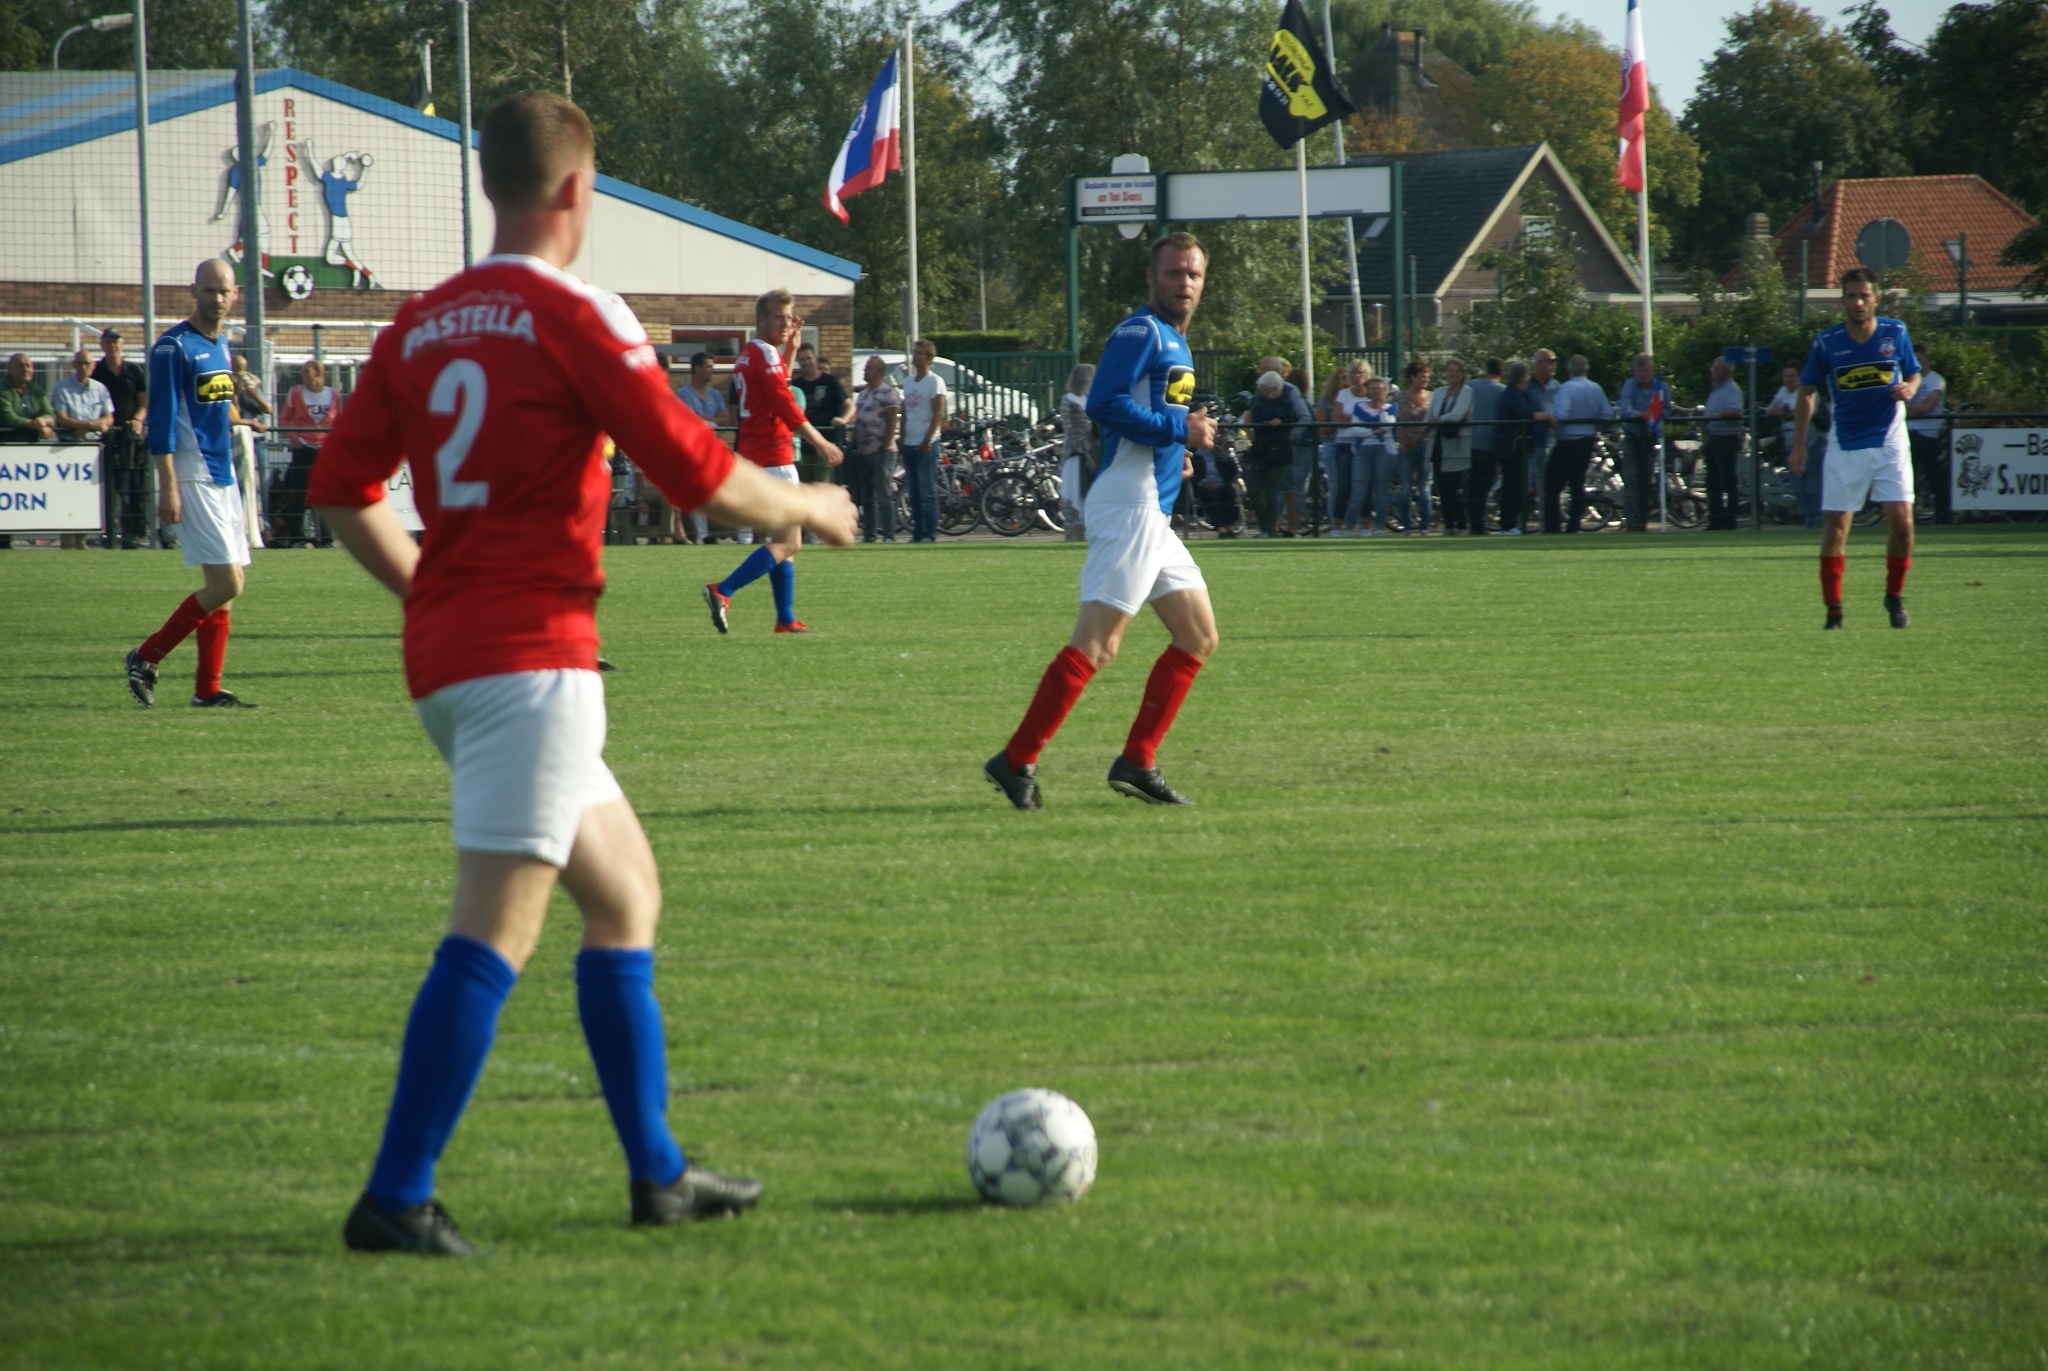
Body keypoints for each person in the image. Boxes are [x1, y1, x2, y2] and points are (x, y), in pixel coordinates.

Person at [306, 92, 858, 1257]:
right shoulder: (575, 316)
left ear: (492, 185)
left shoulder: (422, 323)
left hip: (457, 661)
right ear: (575, 190)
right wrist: (809, 503)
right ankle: (394, 1197)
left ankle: (658, 1176)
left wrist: (429, 592)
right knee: (493, 931)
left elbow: (340, 490)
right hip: (530, 663)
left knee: (623, 896)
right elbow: (697, 474)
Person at [983, 231, 1220, 810]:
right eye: (1173, 272)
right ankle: (1016, 760)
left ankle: (1137, 762)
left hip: (1151, 509)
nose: (1184, 282)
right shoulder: (1141, 331)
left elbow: (1144, 420)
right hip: (1131, 505)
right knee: (1098, 644)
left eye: (1192, 274)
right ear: (1151, 277)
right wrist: (1179, 430)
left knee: (1197, 637)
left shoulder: (1176, 341)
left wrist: (1176, 452)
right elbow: (1105, 404)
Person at [123, 259, 257, 709]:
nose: (216, 299)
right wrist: (168, 485)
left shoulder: (221, 345)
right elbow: (161, 421)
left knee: (226, 587)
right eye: (208, 290)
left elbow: (213, 408)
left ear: (235, 294)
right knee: (227, 583)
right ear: (193, 291)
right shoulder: (172, 347)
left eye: (224, 291)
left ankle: (208, 691)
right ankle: (146, 656)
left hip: (223, 474)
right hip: (192, 472)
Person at [700, 288, 844, 634]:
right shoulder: (765, 353)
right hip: (774, 455)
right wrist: (821, 442)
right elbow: (784, 402)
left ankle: (785, 618)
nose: (785, 323)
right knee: (790, 541)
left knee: (784, 543)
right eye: (778, 317)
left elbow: (777, 387)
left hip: (757, 455)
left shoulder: (750, 354)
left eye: (789, 317)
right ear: (760, 319)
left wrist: (790, 351)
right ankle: (723, 590)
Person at [1792, 266, 1921, 629]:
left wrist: (1910, 387)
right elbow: (1806, 392)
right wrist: (1799, 444)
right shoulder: (1827, 342)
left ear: (1876, 298)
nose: (1858, 303)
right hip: (1846, 443)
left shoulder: (1895, 333)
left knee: (1903, 525)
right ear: (1843, 301)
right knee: (1836, 527)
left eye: (1864, 296)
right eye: (1851, 296)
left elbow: (1913, 373)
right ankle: (1834, 613)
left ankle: (1894, 596)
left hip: (1889, 441)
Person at [276, 359, 343, 546]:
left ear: (318, 374)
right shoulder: (296, 393)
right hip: (303, 448)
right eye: (303, 371)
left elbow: (339, 421)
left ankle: (326, 539)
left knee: (325, 494)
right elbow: (285, 418)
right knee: (298, 494)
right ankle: (296, 538)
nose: (303, 375)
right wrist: (294, 438)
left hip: (325, 450)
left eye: (307, 371)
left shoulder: (333, 395)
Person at [93, 329, 150, 547]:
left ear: (122, 345)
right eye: (108, 342)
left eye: (116, 342)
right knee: (107, 485)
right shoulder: (96, 371)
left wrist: (137, 419)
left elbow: (143, 403)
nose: (113, 346)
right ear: (102, 346)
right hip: (105, 436)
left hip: (130, 437)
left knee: (134, 485)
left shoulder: (134, 370)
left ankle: (132, 533)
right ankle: (106, 532)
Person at [1545, 355, 1613, 534]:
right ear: (1586, 370)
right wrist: (1592, 424)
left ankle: (1553, 525)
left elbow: (1561, 414)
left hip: (1567, 441)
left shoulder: (1566, 388)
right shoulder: (1595, 388)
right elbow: (1607, 414)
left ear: (1569, 370)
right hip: (1586, 440)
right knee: (1577, 484)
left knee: (1552, 485)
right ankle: (1573, 524)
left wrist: (1551, 420)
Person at [1484, 361, 1545, 536]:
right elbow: (1523, 414)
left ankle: (1509, 524)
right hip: (1512, 448)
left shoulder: (1510, 393)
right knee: (1514, 486)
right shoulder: (1514, 394)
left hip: (1508, 447)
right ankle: (1509, 524)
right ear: (1524, 377)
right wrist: (1543, 416)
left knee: (1512, 485)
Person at [672, 351, 727, 543]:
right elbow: (685, 420)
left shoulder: (715, 395)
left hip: (714, 451)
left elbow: (726, 418)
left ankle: (727, 533)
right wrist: (710, 423)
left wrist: (704, 421)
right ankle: (703, 535)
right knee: (697, 488)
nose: (713, 371)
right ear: (697, 369)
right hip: (693, 451)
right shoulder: (683, 395)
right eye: (709, 367)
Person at [898, 339, 948, 542]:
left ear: (928, 358)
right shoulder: (909, 382)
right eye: (914, 352)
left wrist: (927, 439)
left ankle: (929, 533)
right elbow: (905, 411)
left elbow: (938, 413)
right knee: (914, 493)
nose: (915, 356)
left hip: (926, 443)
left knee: (927, 492)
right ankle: (917, 532)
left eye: (919, 353)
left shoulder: (934, 381)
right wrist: (901, 437)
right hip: (909, 442)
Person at [850, 353, 902, 542]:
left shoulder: (888, 393)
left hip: (882, 451)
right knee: (867, 496)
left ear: (879, 372)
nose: (865, 371)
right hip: (863, 451)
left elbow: (892, 421)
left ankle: (889, 534)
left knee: (883, 494)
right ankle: (870, 534)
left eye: (869, 368)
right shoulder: (863, 394)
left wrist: (886, 445)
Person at [1239, 370, 1297, 538]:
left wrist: (1279, 421)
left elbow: (1291, 418)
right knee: (1253, 491)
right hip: (1259, 450)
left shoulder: (1287, 400)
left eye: (1264, 389)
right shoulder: (1258, 401)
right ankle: (1265, 525)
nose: (1262, 392)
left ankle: (1269, 529)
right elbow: (1255, 419)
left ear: (1273, 388)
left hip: (1279, 452)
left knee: (1271, 491)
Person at [1618, 354, 1671, 532]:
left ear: (1651, 370)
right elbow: (1625, 410)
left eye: (1646, 370)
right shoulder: (1629, 385)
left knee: (1646, 480)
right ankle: (1632, 522)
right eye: (1640, 370)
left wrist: (1655, 414)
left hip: (1650, 438)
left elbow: (1667, 411)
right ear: (1634, 371)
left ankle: (1643, 520)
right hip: (1632, 438)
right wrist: (1642, 414)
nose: (1643, 374)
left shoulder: (1661, 387)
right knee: (1631, 480)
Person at [791, 342, 851, 488]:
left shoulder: (829, 381)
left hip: (825, 443)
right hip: (804, 445)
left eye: (808, 358)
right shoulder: (796, 385)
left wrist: (843, 420)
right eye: (802, 360)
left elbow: (850, 405)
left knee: (821, 487)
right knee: (803, 489)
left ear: (815, 358)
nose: (806, 362)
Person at [1425, 358, 1473, 532]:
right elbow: (1430, 413)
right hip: (1437, 443)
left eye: (1457, 371)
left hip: (1456, 443)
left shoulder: (1466, 391)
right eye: (1450, 370)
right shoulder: (1439, 392)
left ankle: (1461, 521)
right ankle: (1448, 524)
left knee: (1451, 486)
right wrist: (1425, 426)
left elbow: (1458, 414)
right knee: (1442, 486)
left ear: (1462, 374)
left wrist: (1438, 420)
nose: (1453, 374)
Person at [1327, 360, 1375, 536]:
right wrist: (1353, 421)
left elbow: (1376, 419)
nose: (1357, 376)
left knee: (1365, 486)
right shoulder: (1343, 394)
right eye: (1354, 372)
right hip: (1344, 443)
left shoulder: (1371, 395)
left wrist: (1352, 419)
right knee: (1344, 486)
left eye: (1361, 373)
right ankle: (1338, 526)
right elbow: (1335, 420)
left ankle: (1364, 526)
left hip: (1366, 444)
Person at [1701, 358, 1746, 531]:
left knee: (1728, 481)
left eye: (1716, 370)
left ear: (1726, 372)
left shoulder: (1732, 389)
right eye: (1712, 369)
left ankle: (1730, 520)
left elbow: (1736, 411)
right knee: (1713, 482)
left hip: (1726, 439)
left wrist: (1716, 415)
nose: (1712, 373)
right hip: (1714, 438)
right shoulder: (1716, 390)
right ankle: (1715, 519)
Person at [1352, 375, 1400, 536]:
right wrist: (1373, 431)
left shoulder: (1391, 408)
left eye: (1379, 389)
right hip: (1363, 450)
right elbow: (1355, 430)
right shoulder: (1359, 407)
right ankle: (1349, 526)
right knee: (1359, 490)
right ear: (1368, 390)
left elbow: (1388, 425)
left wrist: (1380, 409)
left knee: (1381, 491)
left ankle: (1379, 527)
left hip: (1384, 450)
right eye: (1373, 389)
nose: (1376, 392)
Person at [1462, 357, 1505, 535]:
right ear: (1501, 372)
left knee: (1472, 485)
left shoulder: (1471, 386)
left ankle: (1472, 521)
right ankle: (1478, 524)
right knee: (1483, 486)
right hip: (1489, 444)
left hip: (1470, 442)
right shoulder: (1502, 390)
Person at [1390, 359, 1433, 535]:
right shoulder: (1399, 398)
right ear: (1412, 377)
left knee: (1424, 489)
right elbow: (1392, 421)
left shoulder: (1432, 398)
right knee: (1405, 489)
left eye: (1427, 377)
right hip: (1406, 449)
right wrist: (1399, 441)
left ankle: (1424, 526)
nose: (1425, 380)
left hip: (1425, 447)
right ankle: (1406, 525)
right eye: (1422, 376)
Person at [1056, 362, 1096, 540]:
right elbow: (1080, 426)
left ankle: (1085, 527)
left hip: (1089, 452)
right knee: (1074, 489)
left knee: (1087, 490)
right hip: (1076, 452)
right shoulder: (1070, 400)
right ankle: (1074, 529)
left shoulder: (1087, 398)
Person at [1905, 363, 1946, 522]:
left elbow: (1927, 407)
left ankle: (1943, 512)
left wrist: (1910, 408)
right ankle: (1910, 512)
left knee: (1933, 474)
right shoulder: (1906, 379)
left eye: (1920, 357)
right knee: (1908, 474)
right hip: (1909, 432)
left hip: (1927, 434)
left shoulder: (1935, 380)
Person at [52, 349, 114, 441]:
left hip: (95, 443)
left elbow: (109, 418)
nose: (83, 367)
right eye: (80, 363)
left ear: (94, 365)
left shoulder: (101, 388)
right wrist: (90, 425)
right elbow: (61, 419)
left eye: (87, 363)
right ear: (74, 365)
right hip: (68, 443)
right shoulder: (61, 388)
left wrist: (87, 427)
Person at [1527, 348, 1559, 519]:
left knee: (1549, 488)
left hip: (1553, 442)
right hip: (1531, 444)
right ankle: (1521, 524)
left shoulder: (1557, 386)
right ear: (1539, 364)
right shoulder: (1526, 386)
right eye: (1550, 362)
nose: (1554, 365)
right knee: (1528, 486)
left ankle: (1548, 523)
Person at [2, 352, 55, 442]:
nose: (26, 369)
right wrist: (35, 424)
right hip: (6, 445)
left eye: (28, 366)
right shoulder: (2, 390)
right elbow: (7, 418)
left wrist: (45, 420)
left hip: (33, 446)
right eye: (20, 366)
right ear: (9, 368)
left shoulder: (37, 391)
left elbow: (50, 414)